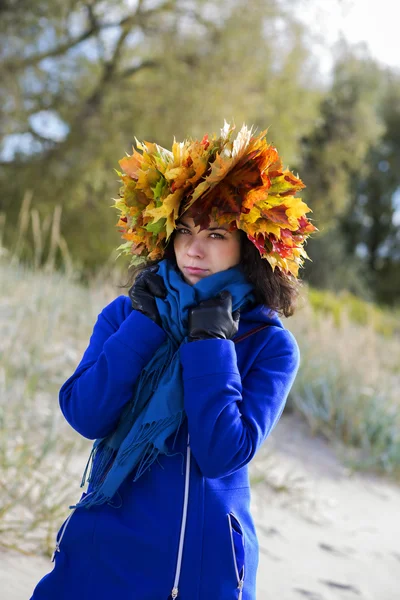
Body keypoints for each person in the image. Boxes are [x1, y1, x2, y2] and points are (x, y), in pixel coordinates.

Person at [30, 122, 316, 600]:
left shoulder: (270, 344)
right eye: (183, 230)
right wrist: (146, 325)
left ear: (248, 244)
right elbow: (85, 413)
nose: (193, 249)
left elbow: (222, 453)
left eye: (216, 234)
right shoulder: (128, 312)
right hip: (99, 553)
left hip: (196, 573)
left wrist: (211, 342)